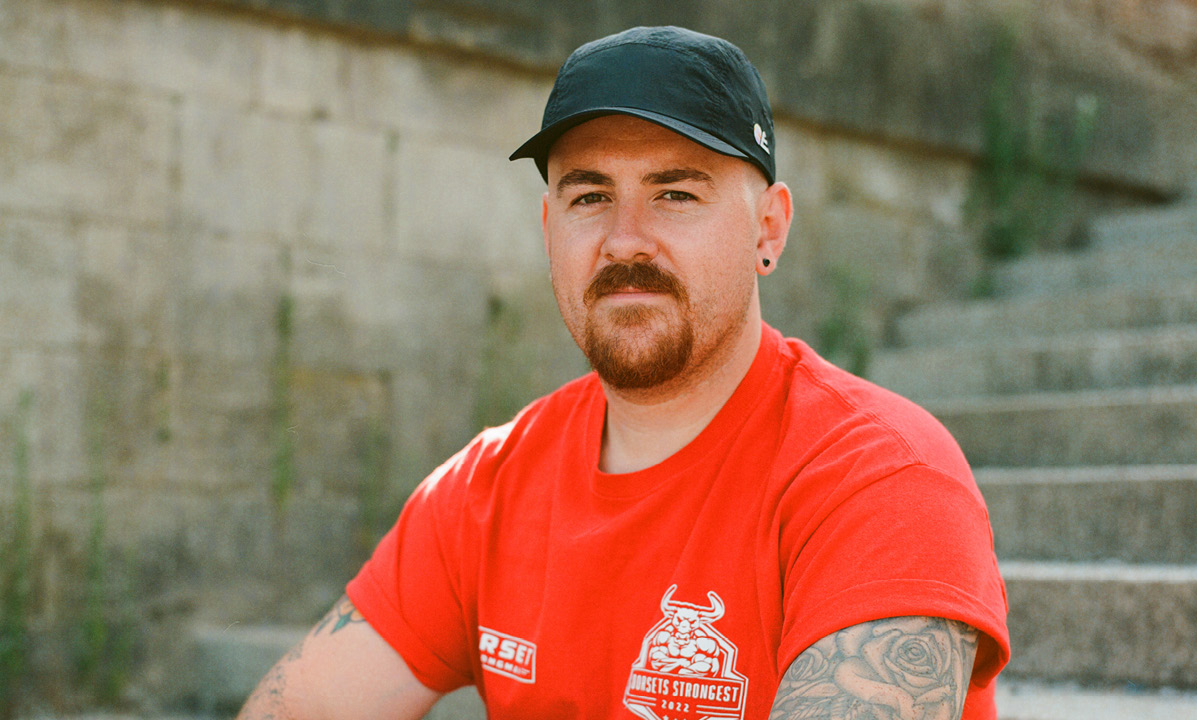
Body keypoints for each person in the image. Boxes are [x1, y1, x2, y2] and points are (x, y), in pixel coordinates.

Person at [236, 25, 1009, 720]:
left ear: (768, 228)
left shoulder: (881, 480)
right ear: (549, 229)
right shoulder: (486, 489)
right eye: (589, 196)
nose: (624, 240)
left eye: (675, 193)